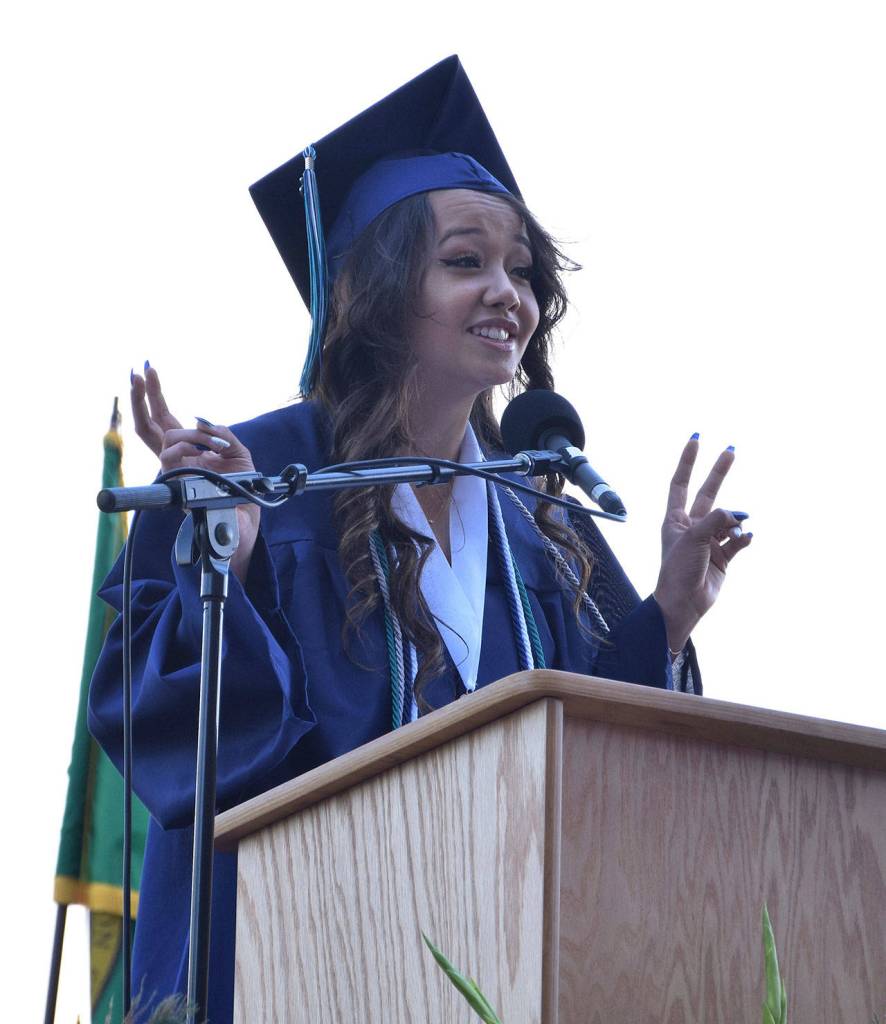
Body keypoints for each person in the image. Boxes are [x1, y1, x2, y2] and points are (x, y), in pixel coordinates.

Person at [88, 56, 751, 1024]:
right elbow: (174, 740)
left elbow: (594, 766)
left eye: (520, 271)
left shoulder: (540, 520)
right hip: (285, 965)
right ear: (380, 289)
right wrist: (227, 560)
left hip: (489, 971)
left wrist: (669, 617)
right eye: (465, 262)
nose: (506, 292)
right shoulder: (257, 474)